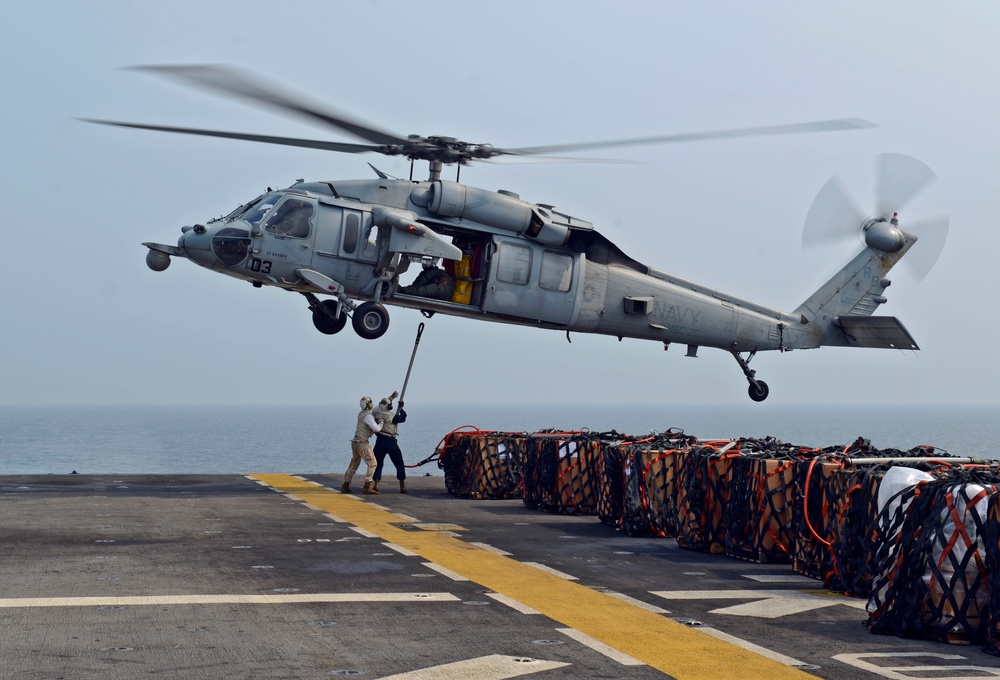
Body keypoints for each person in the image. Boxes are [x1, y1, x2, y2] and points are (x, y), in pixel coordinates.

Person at [341, 396, 382, 495]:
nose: (371, 403)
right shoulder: (367, 416)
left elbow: (377, 408)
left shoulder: (362, 413)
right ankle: (367, 486)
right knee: (373, 463)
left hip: (355, 442)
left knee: (354, 463)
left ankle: (345, 485)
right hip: (362, 443)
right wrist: (381, 423)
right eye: (370, 402)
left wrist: (390, 398)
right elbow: (376, 429)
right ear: (367, 404)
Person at [372, 393, 408, 493]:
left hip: (379, 441)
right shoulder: (393, 416)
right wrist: (401, 408)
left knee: (378, 464)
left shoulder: (376, 414)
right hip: (390, 441)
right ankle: (402, 485)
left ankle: (376, 484)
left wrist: (391, 398)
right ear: (389, 406)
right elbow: (403, 418)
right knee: (399, 463)